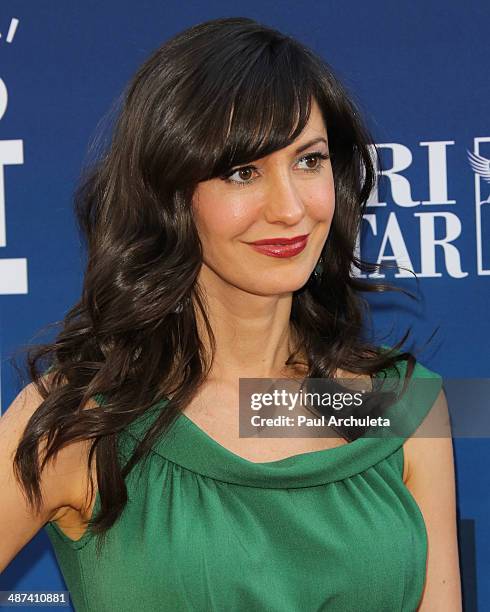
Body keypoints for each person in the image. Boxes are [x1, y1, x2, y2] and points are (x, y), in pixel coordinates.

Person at [0, 16, 461, 611]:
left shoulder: (392, 405)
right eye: (243, 172)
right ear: (168, 194)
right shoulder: (84, 419)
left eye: (309, 160)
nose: (291, 208)